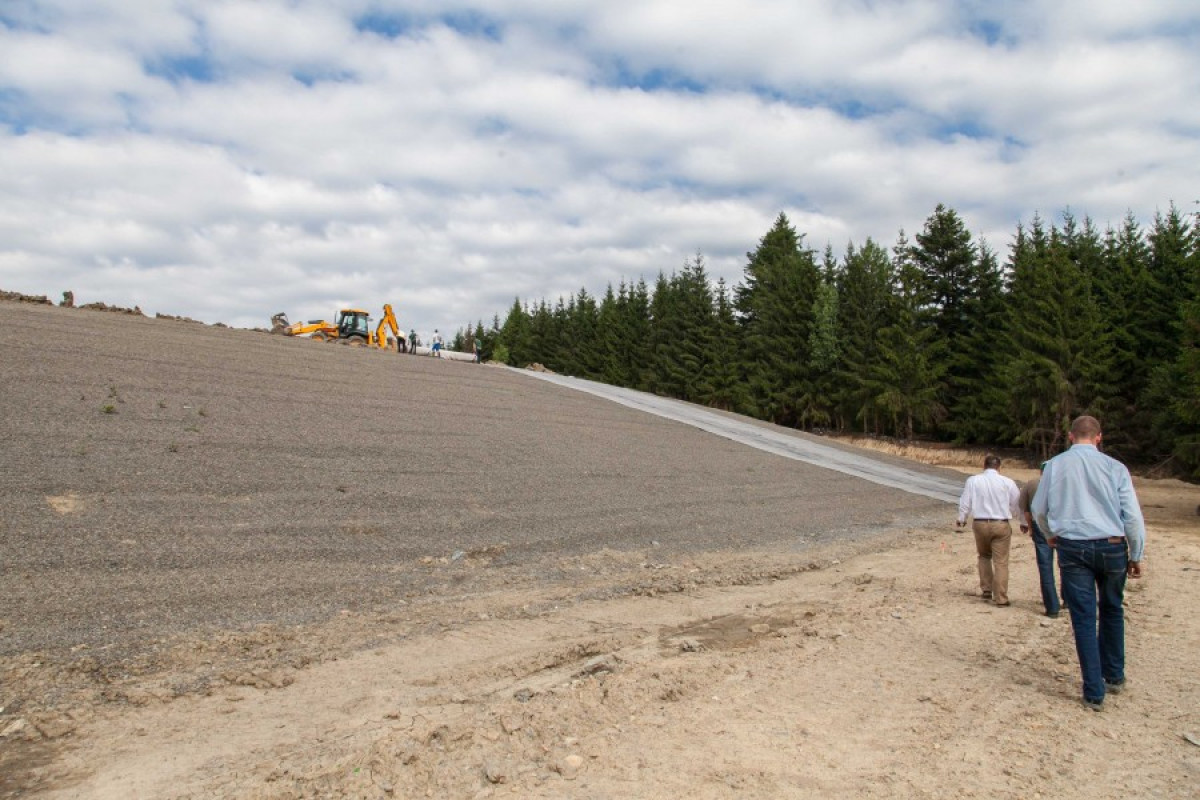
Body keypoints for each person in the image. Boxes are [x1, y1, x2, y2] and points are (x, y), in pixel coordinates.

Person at [1032, 415, 1145, 712]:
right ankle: (1115, 675)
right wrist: (1136, 553)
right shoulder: (1115, 468)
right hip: (1111, 546)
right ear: (1098, 438)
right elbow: (1131, 515)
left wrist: (1049, 534)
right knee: (1112, 609)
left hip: (1073, 547)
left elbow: (1038, 508)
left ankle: (1094, 692)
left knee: (1083, 617)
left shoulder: (1054, 466)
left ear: (1070, 436)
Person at [956, 454, 1020, 606]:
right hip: (1000, 523)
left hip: (980, 523)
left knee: (984, 556)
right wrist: (1023, 522)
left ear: (984, 466)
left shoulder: (973, 480)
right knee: (1001, 562)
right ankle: (1001, 597)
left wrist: (962, 518)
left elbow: (966, 501)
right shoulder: (1008, 482)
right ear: (999, 467)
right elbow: (1016, 504)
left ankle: (986, 589)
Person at [1018, 463, 1060, 618]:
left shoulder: (1031, 484)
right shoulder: (1063, 483)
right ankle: (1068, 599)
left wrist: (1029, 527)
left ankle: (1052, 607)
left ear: (1041, 471)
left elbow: (1026, 509)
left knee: (1045, 567)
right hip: (1062, 526)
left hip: (1040, 525)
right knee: (1067, 565)